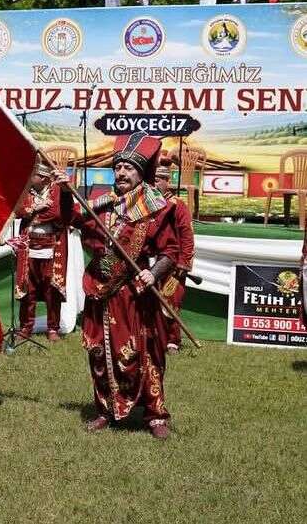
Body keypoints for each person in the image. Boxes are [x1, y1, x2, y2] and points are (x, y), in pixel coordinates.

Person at [58, 132, 179, 439]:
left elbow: (170, 251)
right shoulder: (101, 204)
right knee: (100, 352)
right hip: (100, 290)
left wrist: (154, 273)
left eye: (129, 168)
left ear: (141, 173)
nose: (122, 172)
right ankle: (105, 410)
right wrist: (64, 191)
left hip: (134, 293)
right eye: (118, 167)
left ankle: (155, 415)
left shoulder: (156, 206)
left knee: (144, 353)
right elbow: (70, 218)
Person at [13, 163, 71, 342]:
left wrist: (30, 214)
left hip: (52, 247)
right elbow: (17, 210)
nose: (29, 177)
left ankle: (53, 328)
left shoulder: (57, 191)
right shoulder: (26, 191)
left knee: (51, 289)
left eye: (33, 174)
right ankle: (26, 327)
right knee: (27, 289)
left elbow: (57, 213)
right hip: (28, 247)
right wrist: (35, 208)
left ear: (44, 178)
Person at [153, 157, 195, 352]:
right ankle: (155, 338)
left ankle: (172, 340)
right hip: (152, 259)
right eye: (152, 181)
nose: (154, 185)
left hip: (174, 262)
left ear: (166, 181)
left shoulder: (178, 205)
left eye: (158, 181)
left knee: (170, 299)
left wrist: (183, 263)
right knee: (152, 301)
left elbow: (187, 236)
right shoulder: (146, 204)